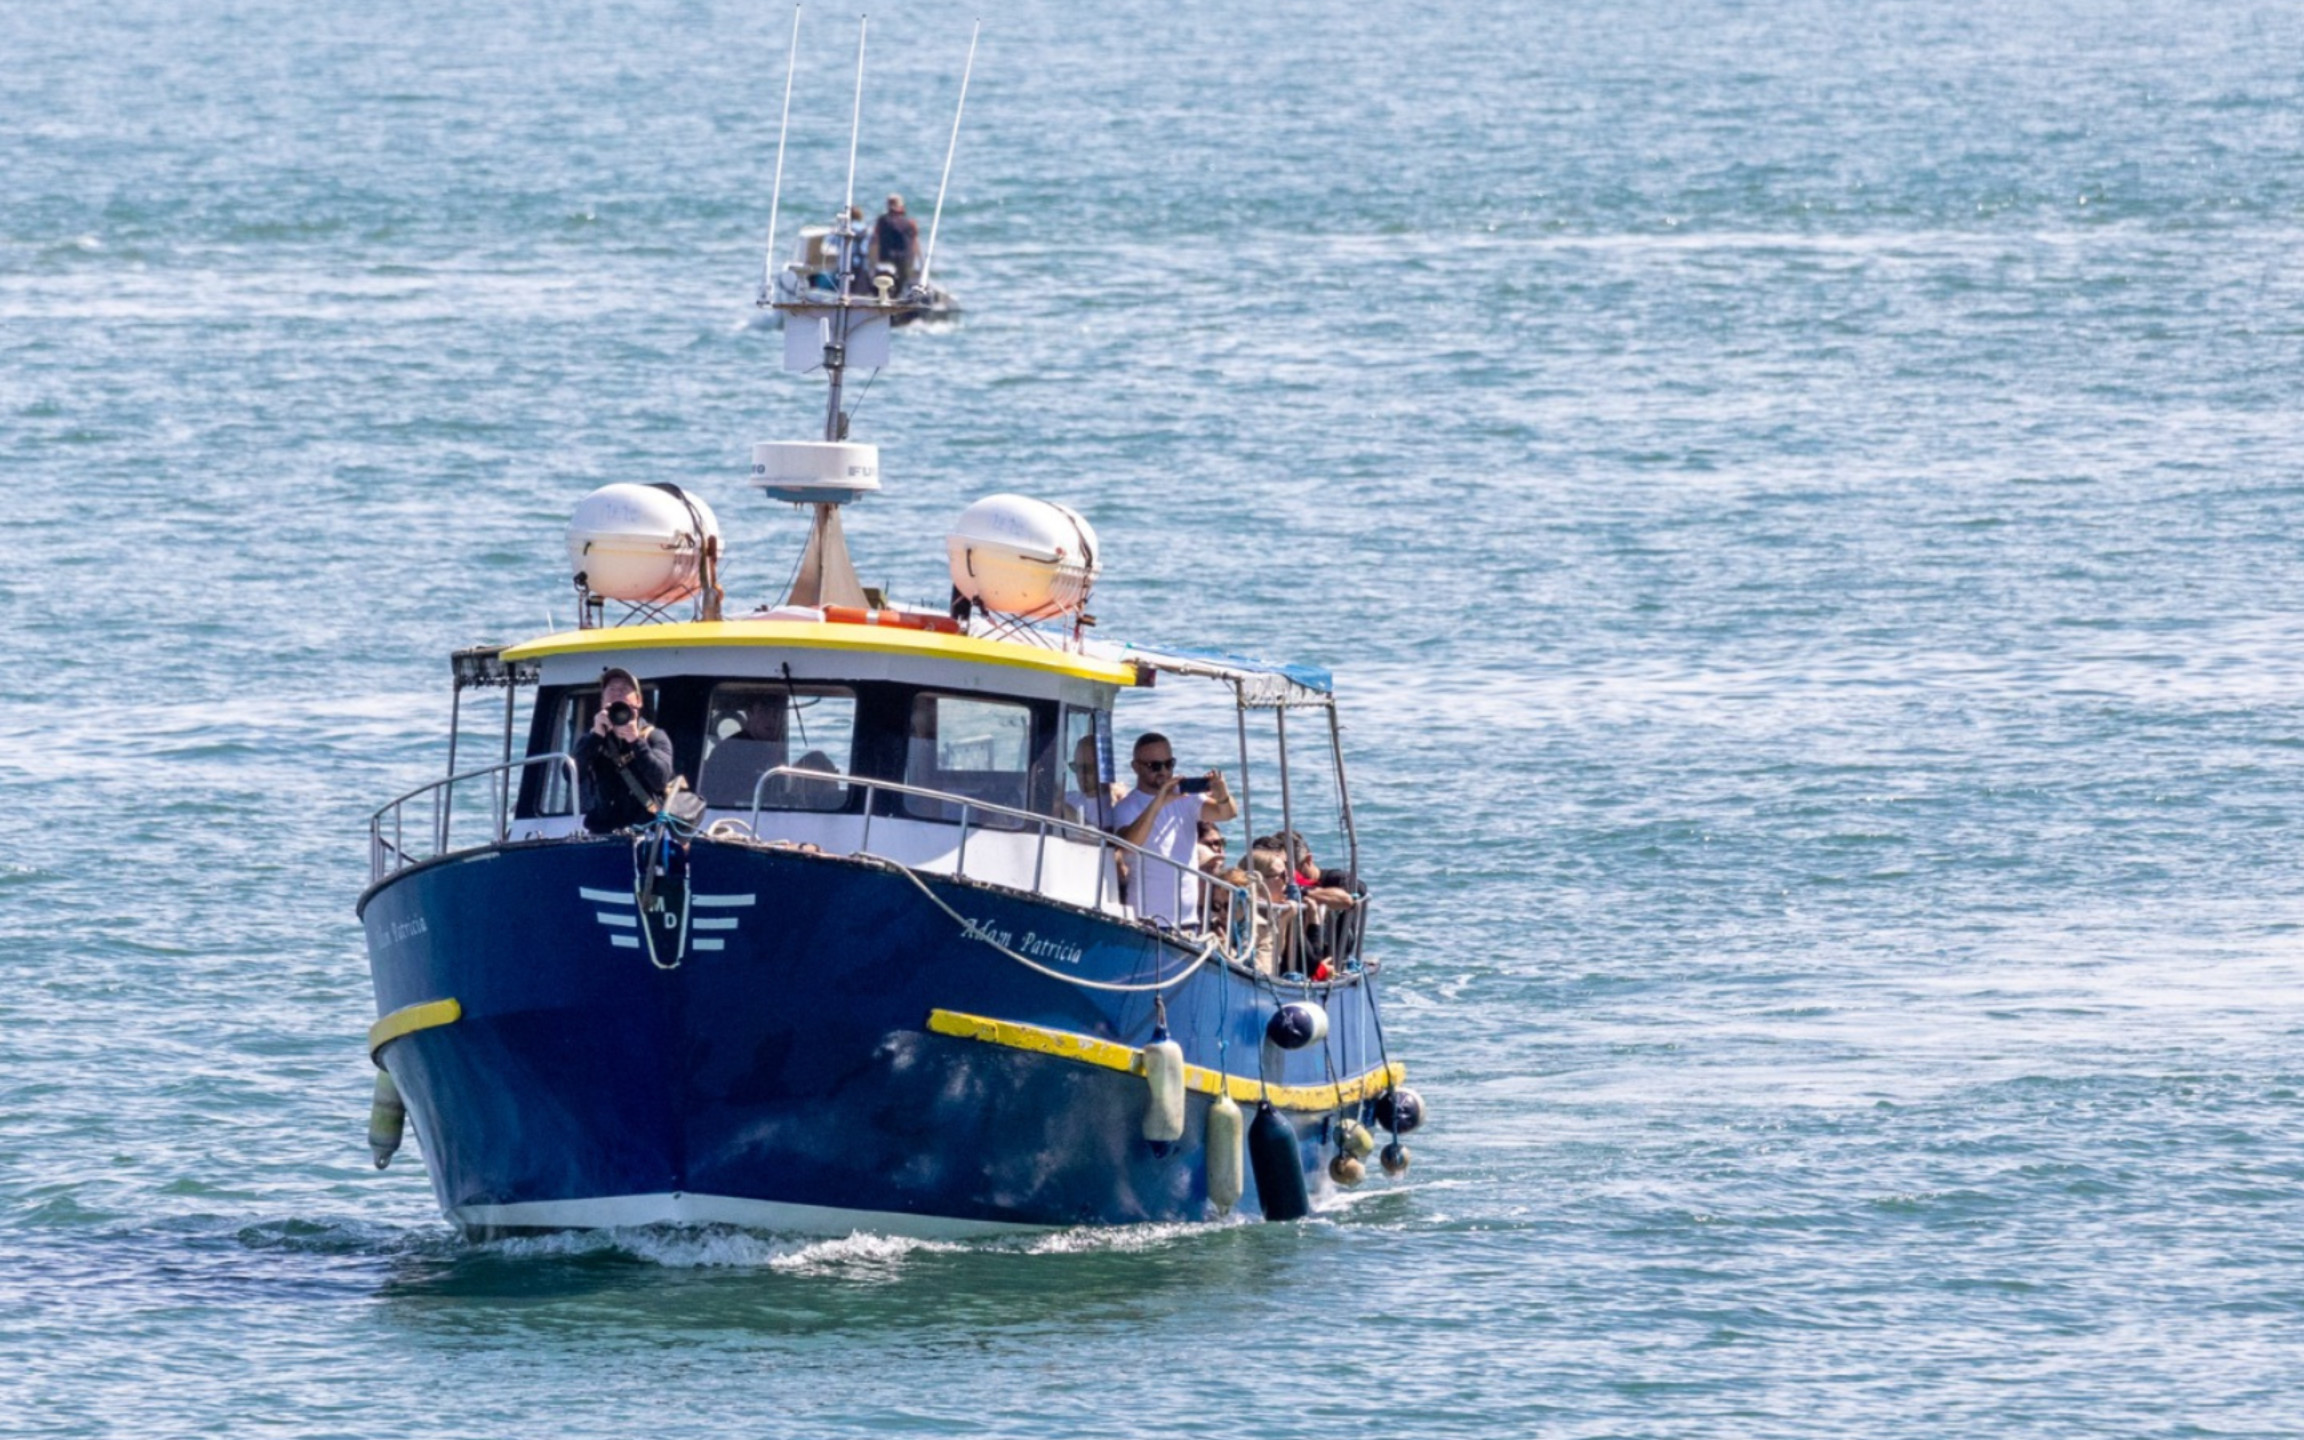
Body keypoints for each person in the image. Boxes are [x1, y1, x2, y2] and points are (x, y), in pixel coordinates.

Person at [1109, 732, 1237, 929]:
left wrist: (1222, 794)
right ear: (1136, 767)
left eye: (1169, 764)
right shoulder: (1126, 807)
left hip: (1187, 918)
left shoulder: (1186, 799)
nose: (1164, 771)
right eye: (1155, 766)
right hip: (1146, 918)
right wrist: (1159, 801)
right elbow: (1129, 845)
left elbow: (1227, 813)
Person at [573, 667, 675, 834]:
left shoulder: (654, 737)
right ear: (602, 700)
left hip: (646, 831)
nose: (617, 694)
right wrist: (596, 738)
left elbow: (660, 779)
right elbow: (571, 775)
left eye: (624, 689)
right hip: (603, 832)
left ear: (639, 700)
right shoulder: (593, 739)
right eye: (612, 690)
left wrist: (636, 741)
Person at [872, 193, 920, 292]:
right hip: (905, 260)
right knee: (901, 285)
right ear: (901, 206)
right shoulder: (910, 223)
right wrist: (919, 263)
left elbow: (875, 242)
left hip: (886, 259)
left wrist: (872, 263)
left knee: (884, 285)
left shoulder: (882, 221)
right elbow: (915, 243)